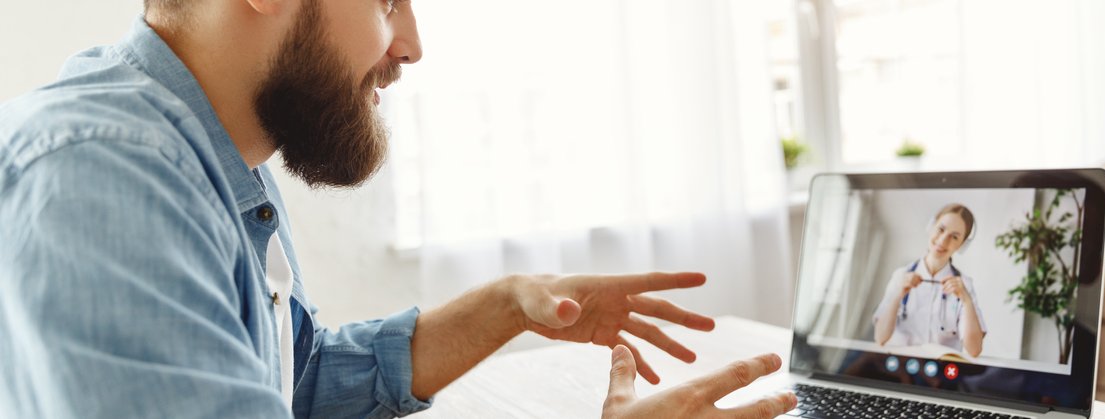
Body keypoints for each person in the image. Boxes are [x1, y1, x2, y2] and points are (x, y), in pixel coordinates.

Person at [0, 0, 797, 418]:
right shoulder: (104, 174)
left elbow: (295, 382)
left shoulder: (216, 154)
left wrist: (506, 305)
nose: (410, 44)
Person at [872, 204, 987, 358]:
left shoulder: (964, 285)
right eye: (941, 229)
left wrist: (967, 301)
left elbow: (974, 350)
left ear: (962, 245)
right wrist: (898, 294)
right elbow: (880, 338)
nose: (943, 240)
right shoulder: (901, 276)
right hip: (900, 365)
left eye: (954, 237)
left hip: (939, 369)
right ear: (931, 227)